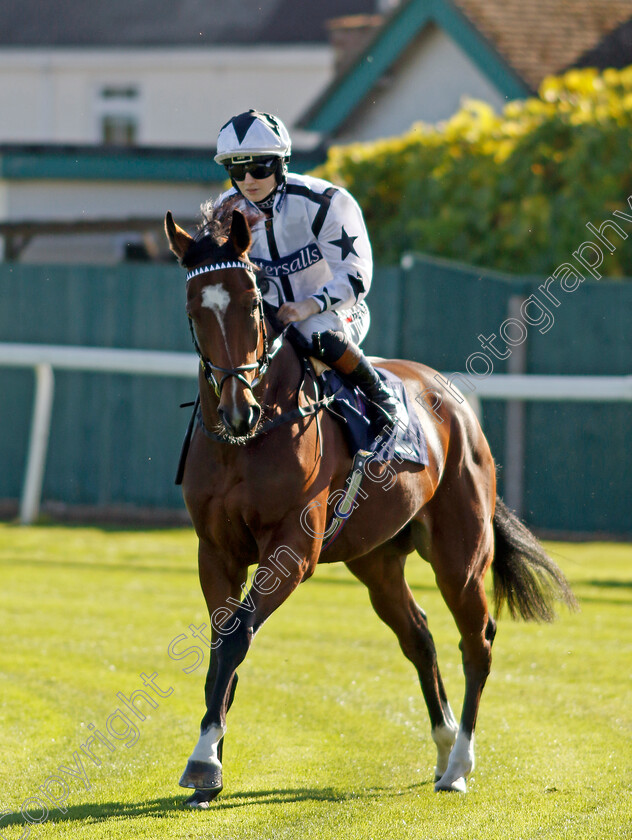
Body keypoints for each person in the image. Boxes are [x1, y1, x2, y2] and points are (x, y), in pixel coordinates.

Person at [213, 109, 398, 428]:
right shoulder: (226, 211)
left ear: (281, 162)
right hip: (269, 316)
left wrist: (308, 306)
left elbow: (355, 277)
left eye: (258, 167)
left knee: (315, 332)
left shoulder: (326, 202)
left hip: (338, 310)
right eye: (237, 170)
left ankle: (381, 400)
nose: (248, 180)